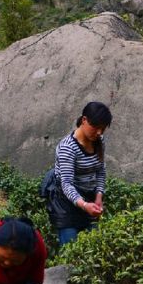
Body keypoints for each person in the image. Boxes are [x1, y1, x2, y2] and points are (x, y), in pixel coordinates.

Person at [47, 101, 112, 245]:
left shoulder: (99, 141)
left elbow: (100, 170)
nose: (99, 132)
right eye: (95, 127)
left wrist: (99, 195)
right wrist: (83, 205)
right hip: (66, 205)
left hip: (89, 199)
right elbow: (67, 184)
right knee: (71, 251)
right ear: (84, 120)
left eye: (103, 129)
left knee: (95, 247)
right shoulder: (67, 148)